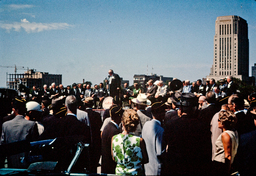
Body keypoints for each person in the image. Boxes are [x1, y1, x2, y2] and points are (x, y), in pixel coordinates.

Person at [1, 97, 39, 168]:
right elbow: (35, 145)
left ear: (14, 110)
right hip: (26, 165)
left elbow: (2, 145)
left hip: (10, 165)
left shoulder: (5, 125)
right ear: (25, 110)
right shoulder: (32, 124)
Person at [111, 109, 148, 175]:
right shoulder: (139, 140)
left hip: (120, 173)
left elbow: (114, 158)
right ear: (136, 125)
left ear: (122, 123)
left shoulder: (114, 138)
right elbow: (145, 160)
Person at [142, 102, 165, 175]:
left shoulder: (146, 125)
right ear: (161, 114)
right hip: (156, 169)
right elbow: (160, 152)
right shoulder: (160, 130)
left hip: (147, 167)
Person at [212, 110, 238, 176]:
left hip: (221, 164)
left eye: (219, 120)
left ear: (223, 122)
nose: (217, 122)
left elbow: (228, 155)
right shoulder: (234, 132)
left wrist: (227, 171)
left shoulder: (225, 135)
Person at [101, 105, 124, 174]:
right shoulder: (114, 131)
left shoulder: (108, 127)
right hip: (110, 166)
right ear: (119, 116)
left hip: (106, 164)